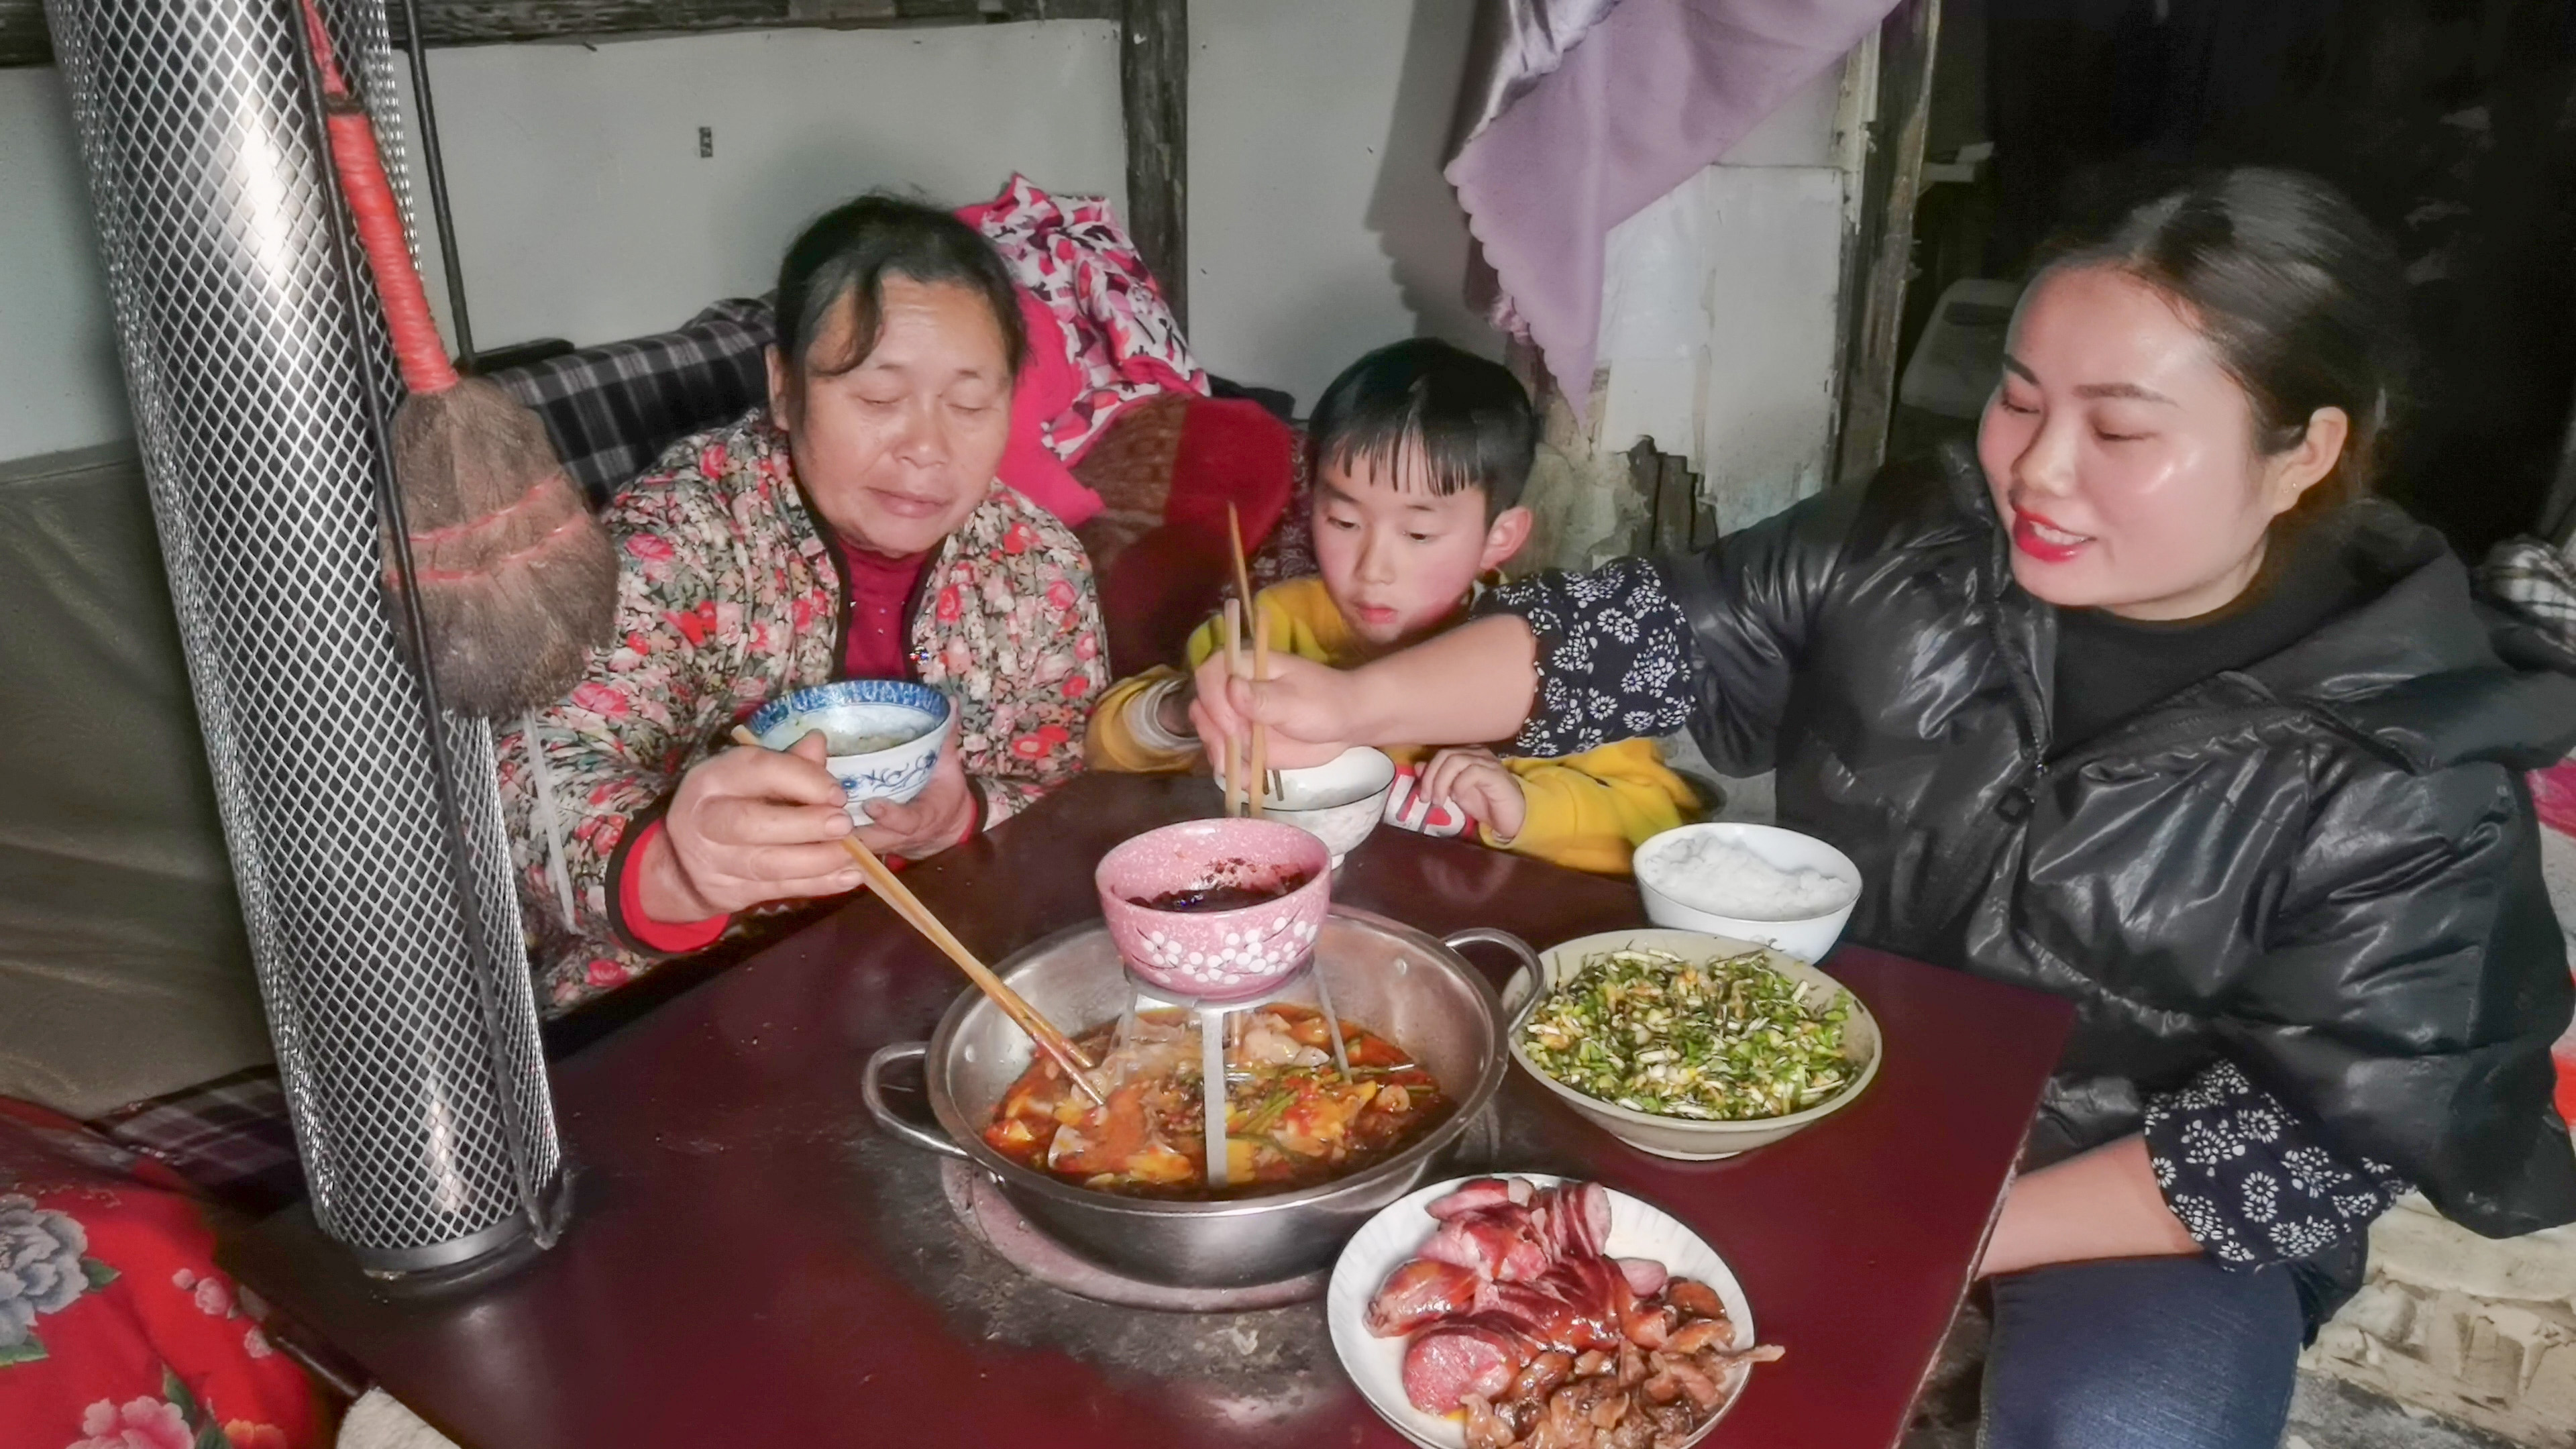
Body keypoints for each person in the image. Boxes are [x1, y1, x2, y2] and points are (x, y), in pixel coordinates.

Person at [1197, 170, 2576, 1448]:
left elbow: (2310, 1148)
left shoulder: (2410, 764)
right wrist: (1347, 709)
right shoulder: (1920, 540)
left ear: (2302, 453)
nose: (2035, 469)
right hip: (1819, 1073)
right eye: (2021, 398)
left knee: (2127, 1427)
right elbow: (1653, 630)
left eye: (2120, 429)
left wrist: (1943, 1238)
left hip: (2127, 1191)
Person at [499, 194, 1108, 1012]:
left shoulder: (1039, 566)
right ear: (785, 390)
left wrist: (961, 816)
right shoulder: (685, 533)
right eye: (878, 400)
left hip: (948, 961)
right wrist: (676, 868)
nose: (927, 449)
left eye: (969, 405)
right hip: (687, 991)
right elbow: (530, 767)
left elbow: (1065, 772)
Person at [1087, 339, 1697, 873]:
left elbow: (1658, 825)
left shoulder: (1551, 661)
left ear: (1499, 537)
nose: (1373, 569)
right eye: (1344, 520)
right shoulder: (1272, 628)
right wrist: (1181, 709)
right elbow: (1104, 751)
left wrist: (1524, 810)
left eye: (1419, 535)